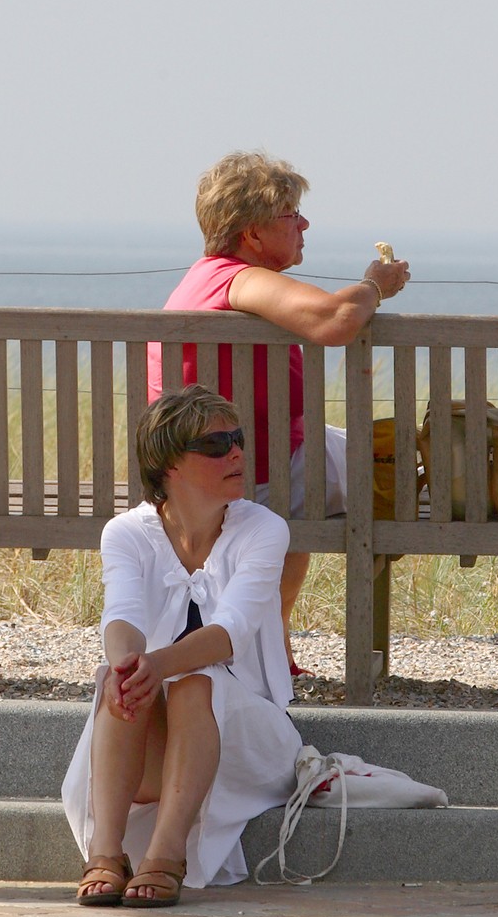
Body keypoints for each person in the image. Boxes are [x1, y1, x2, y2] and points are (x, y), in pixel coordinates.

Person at [154, 151, 409, 666]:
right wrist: (374, 286)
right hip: (249, 474)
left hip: (203, 470)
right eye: (291, 214)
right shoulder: (239, 280)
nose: (304, 224)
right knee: (400, 468)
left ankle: (270, 636)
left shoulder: (202, 280)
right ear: (251, 233)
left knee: (365, 457)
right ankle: (270, 634)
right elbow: (335, 319)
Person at [62, 386, 303, 907]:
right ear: (168, 464)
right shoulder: (126, 532)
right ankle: (106, 853)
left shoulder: (264, 529)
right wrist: (130, 665)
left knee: (197, 680)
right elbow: (121, 615)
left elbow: (230, 632)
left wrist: (157, 664)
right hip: (156, 744)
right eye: (216, 445)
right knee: (118, 676)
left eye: (237, 439)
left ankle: (166, 855)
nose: (236, 453)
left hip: (248, 742)